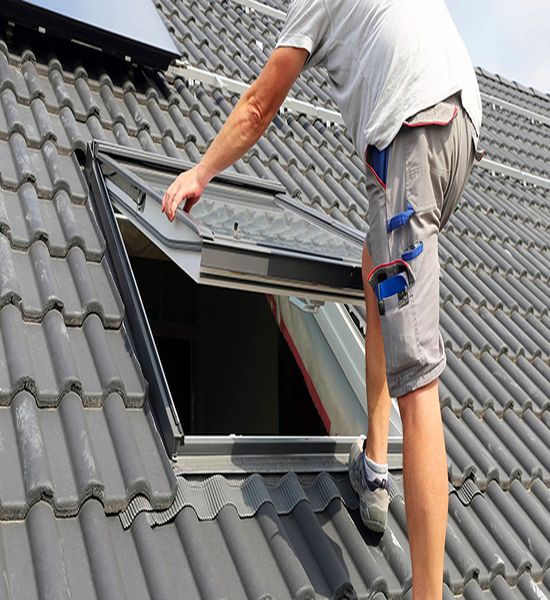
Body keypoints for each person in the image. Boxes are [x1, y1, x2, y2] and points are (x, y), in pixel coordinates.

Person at [162, 1, 482, 598]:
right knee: (375, 263)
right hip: (458, 130)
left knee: (418, 382)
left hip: (411, 136)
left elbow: (260, 103)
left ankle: (428, 593)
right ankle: (375, 463)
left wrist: (200, 172)